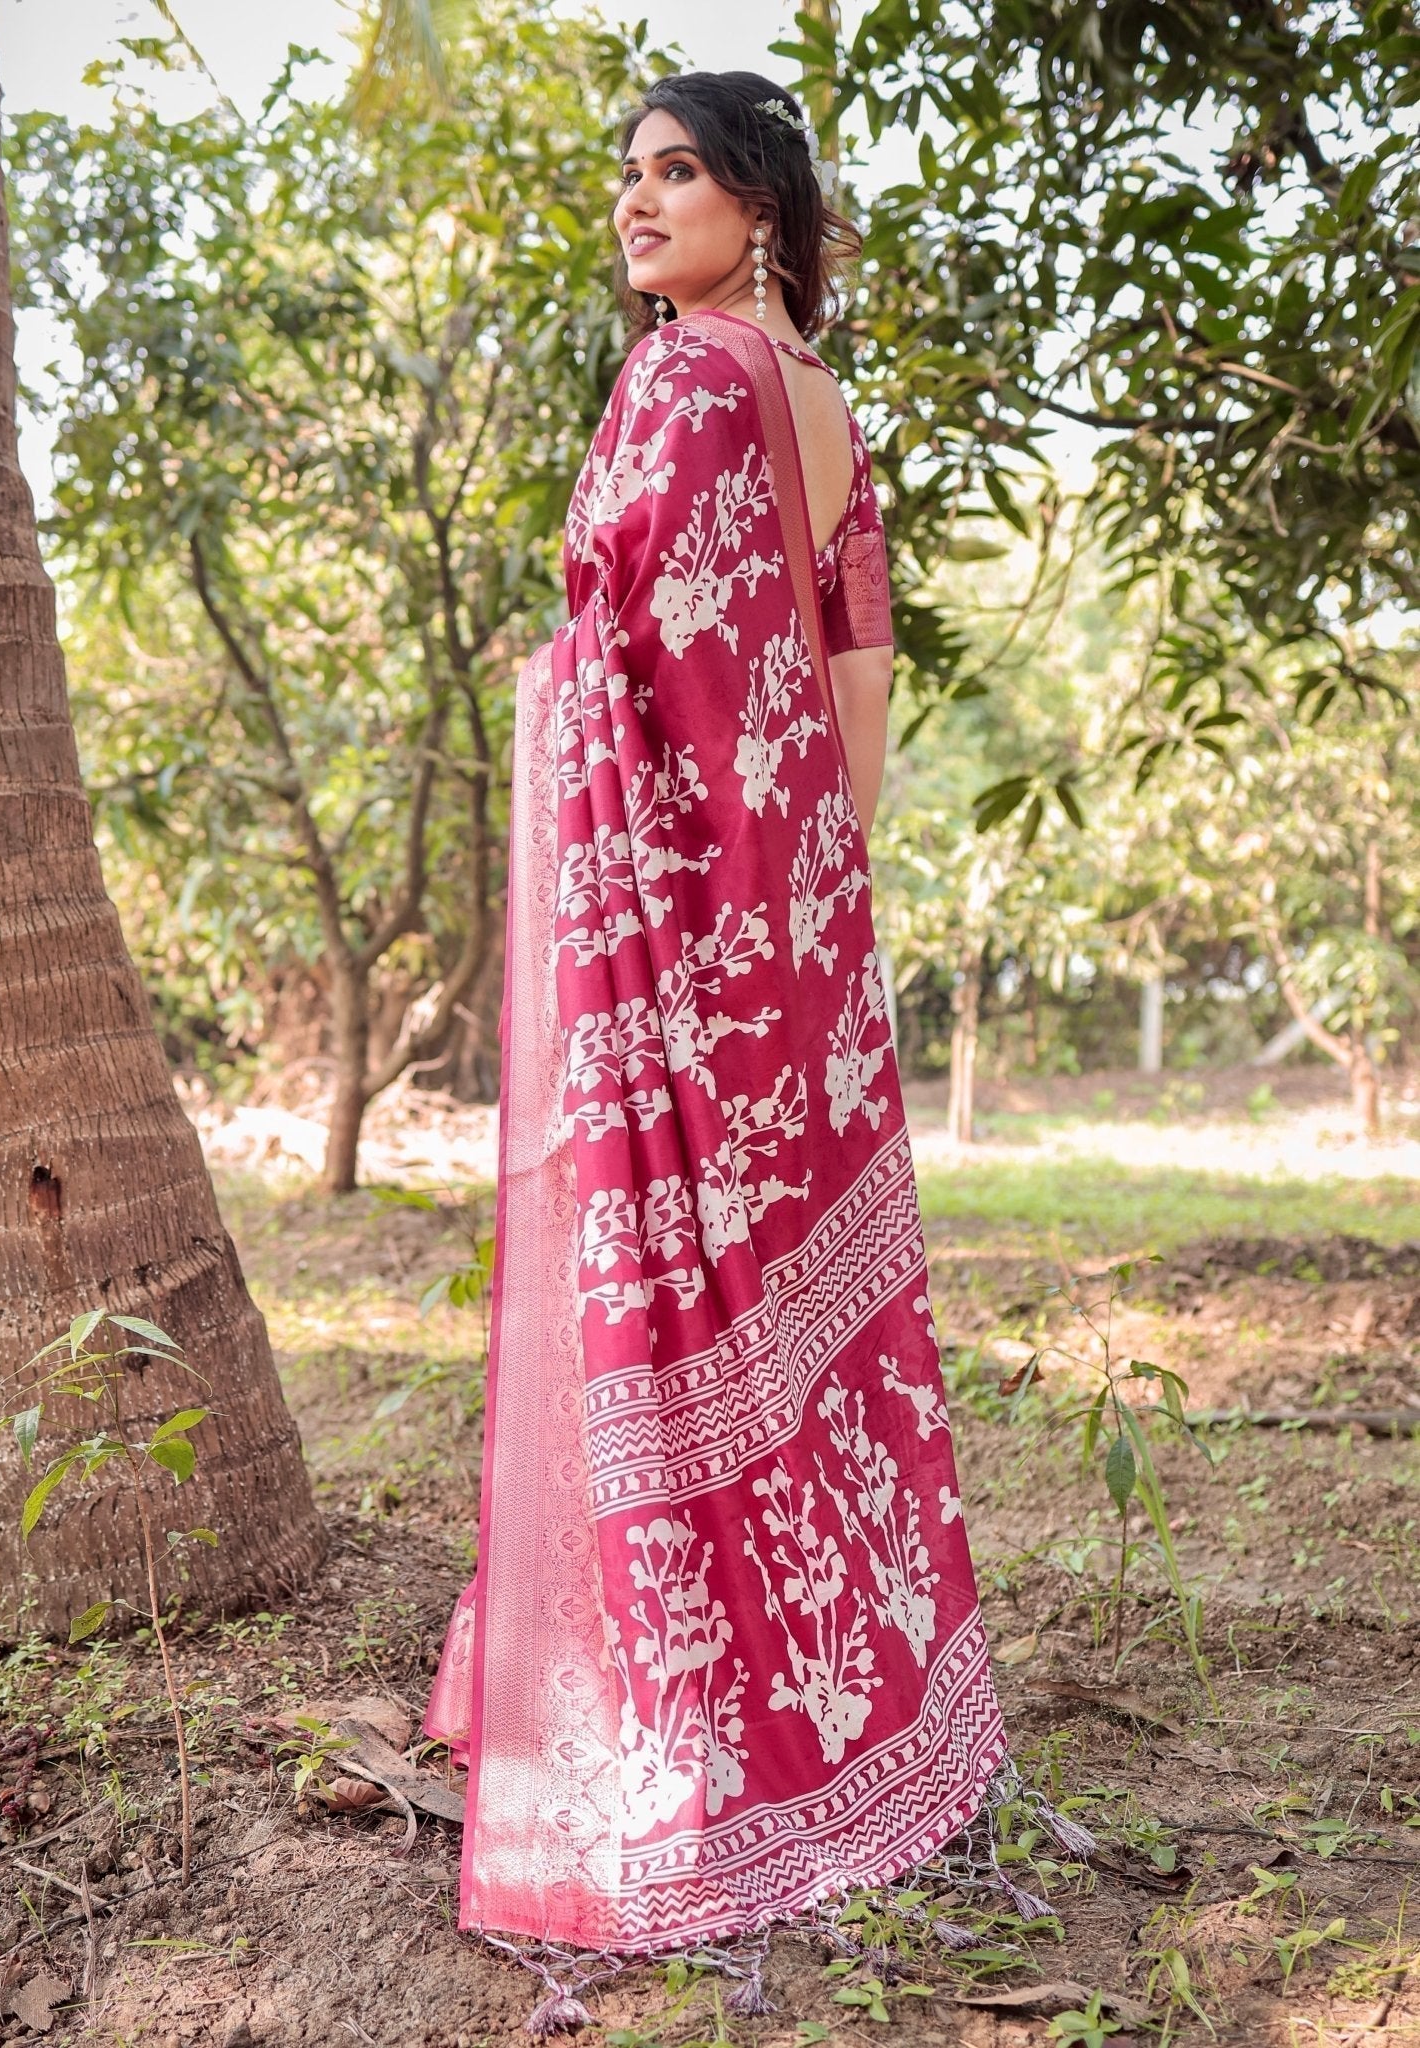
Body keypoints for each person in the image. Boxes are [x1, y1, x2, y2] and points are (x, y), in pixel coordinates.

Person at [425, 68, 1009, 2010]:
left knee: (671, 1312)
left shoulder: (683, 385)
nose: (637, 202)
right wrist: (800, 907)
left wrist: (571, 737)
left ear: (759, 201)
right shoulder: (826, 408)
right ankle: (873, 1724)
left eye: (677, 171)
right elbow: (859, 677)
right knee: (799, 1327)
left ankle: (703, 1747)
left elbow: (617, 635)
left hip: (678, 934)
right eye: (629, 175)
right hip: (790, 935)